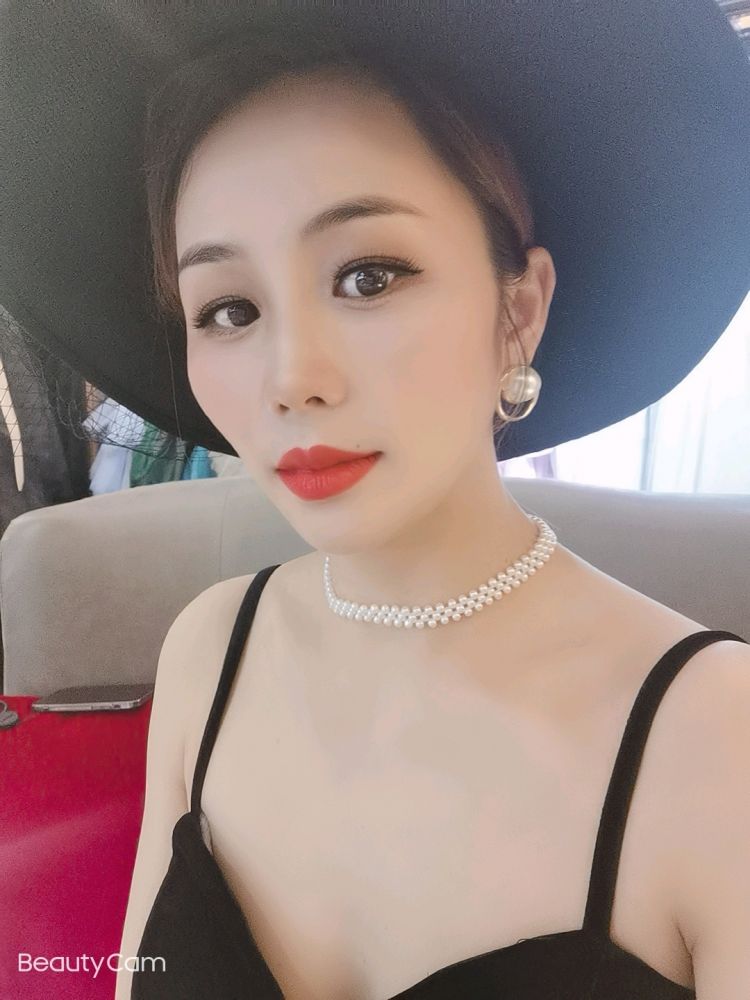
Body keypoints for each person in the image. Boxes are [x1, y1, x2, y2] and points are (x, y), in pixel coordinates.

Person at [1, 4, 749, 999]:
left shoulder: (717, 741)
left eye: (367, 276)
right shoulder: (206, 654)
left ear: (519, 309)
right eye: (229, 308)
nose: (290, 378)